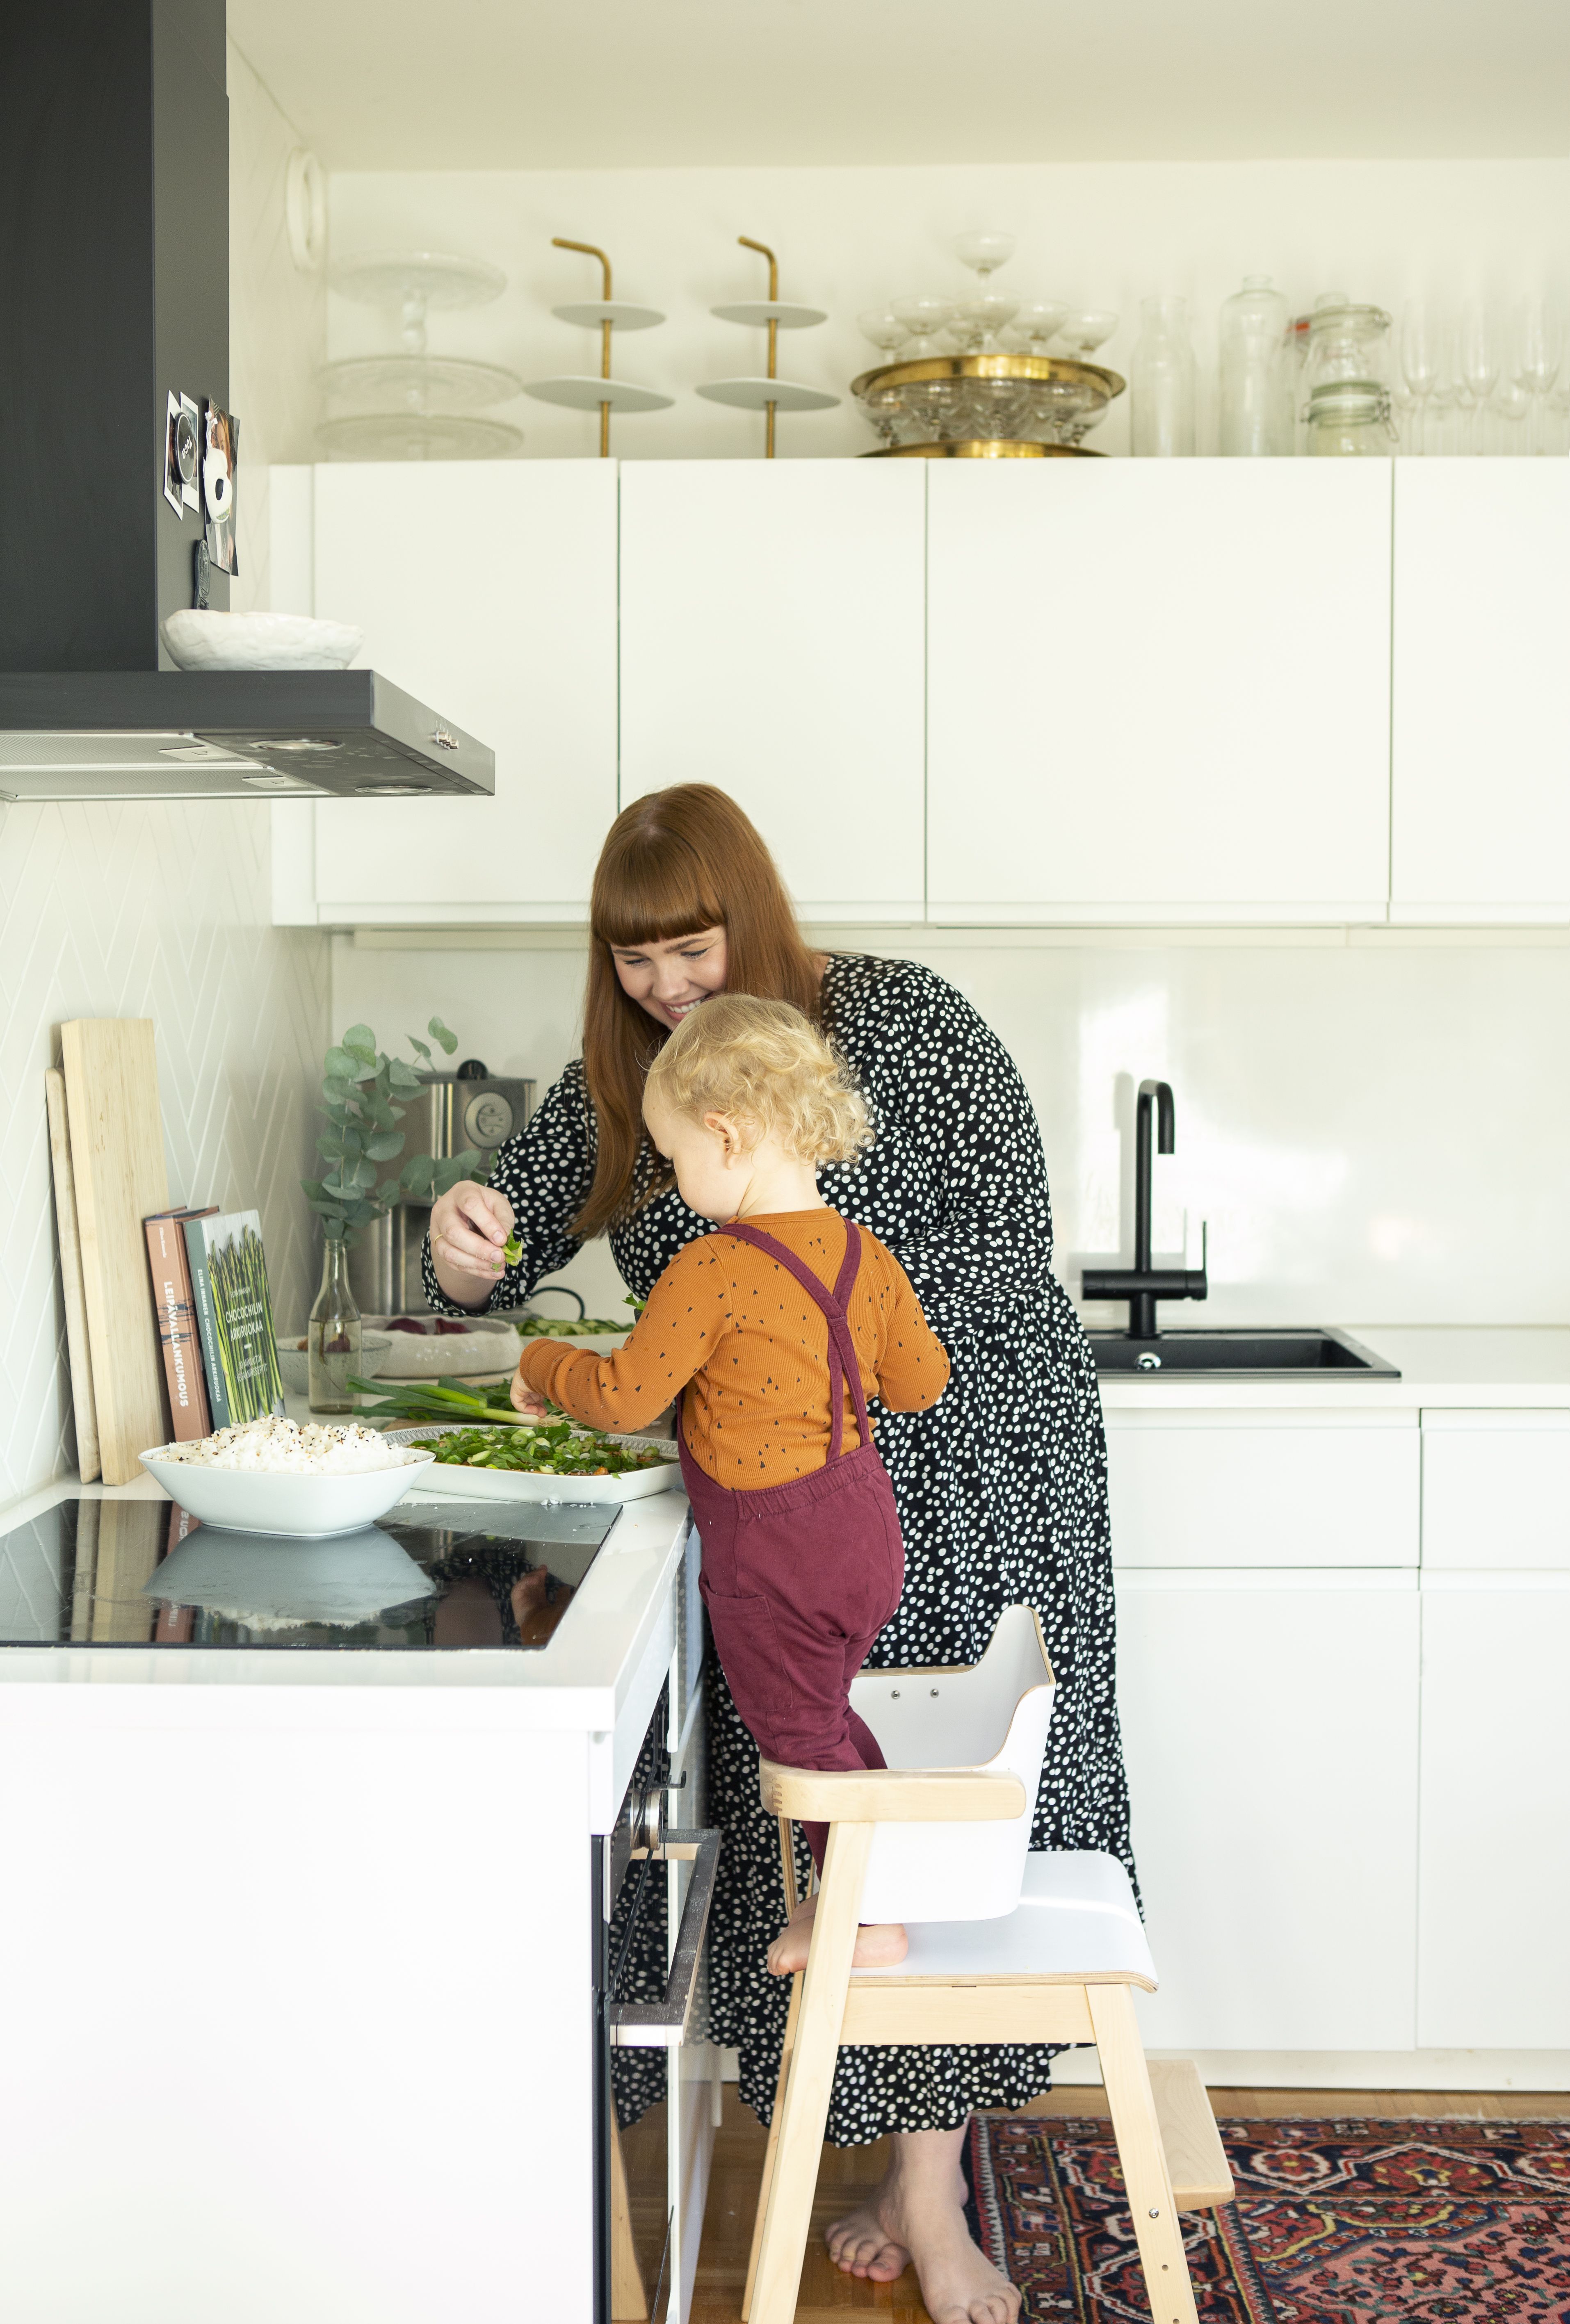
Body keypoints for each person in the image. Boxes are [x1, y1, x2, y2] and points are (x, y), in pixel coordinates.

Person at [424, 783, 1132, 2324]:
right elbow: (507, 1245)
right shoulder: (630, 1075)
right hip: (778, 1500)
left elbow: (999, 1257)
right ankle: (873, 2150)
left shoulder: (903, 1019)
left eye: (691, 949)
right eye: (635, 961)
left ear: (751, 912)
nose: (666, 985)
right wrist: (466, 1238)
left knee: (927, 1792)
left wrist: (793, 1356)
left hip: (960, 1461)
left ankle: (928, 2184)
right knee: (824, 1799)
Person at [511, 993, 949, 1971]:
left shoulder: (712, 1266)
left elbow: (623, 1396)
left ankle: (865, 1919)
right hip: (865, 1536)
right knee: (829, 1716)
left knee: (802, 1736)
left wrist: (539, 1360)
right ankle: (881, 1883)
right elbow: (922, 1383)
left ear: (728, 1134)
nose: (675, 1178)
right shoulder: (867, 1253)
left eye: (675, 1157)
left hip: (776, 1555)